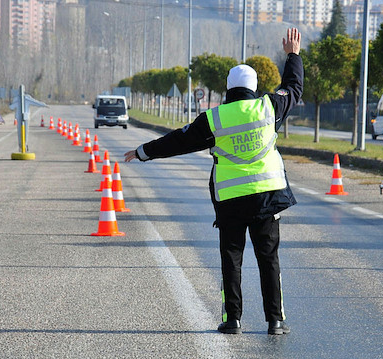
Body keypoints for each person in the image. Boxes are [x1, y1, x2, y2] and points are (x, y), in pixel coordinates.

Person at [124, 28, 303, 335]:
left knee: (231, 260)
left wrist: (143, 152)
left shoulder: (213, 118)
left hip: (231, 200)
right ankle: (275, 321)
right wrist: (293, 55)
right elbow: (293, 88)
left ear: (228, 88)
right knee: (268, 260)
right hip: (267, 198)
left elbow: (177, 141)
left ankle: (233, 319)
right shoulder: (270, 107)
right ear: (255, 87)